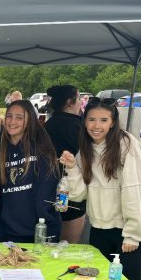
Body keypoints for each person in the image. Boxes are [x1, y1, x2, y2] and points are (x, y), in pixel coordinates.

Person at [59, 97, 141, 280]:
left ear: (113, 122)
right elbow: (79, 194)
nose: (97, 126)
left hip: (127, 232)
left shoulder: (126, 144)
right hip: (99, 230)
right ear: (84, 121)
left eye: (104, 120)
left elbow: (134, 191)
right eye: (91, 119)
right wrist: (72, 168)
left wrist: (133, 234)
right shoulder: (86, 148)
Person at [0, 99, 61, 243]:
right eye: (9, 116)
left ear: (29, 121)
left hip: (41, 233)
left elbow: (47, 195)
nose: (12, 121)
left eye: (19, 117)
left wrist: (47, 229)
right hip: (8, 234)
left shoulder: (42, 149)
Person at [44, 85, 86, 243]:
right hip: (73, 192)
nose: (81, 101)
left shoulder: (48, 125)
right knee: (67, 248)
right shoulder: (80, 128)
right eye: (79, 97)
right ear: (70, 101)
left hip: (47, 192)